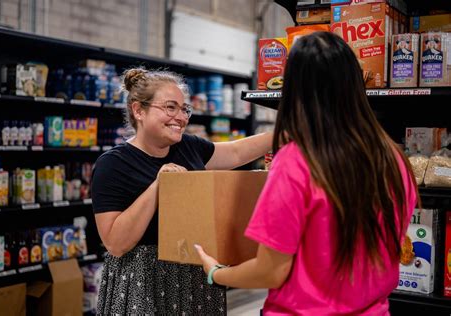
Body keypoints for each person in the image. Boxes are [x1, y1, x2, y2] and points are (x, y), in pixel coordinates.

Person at [195, 31, 418, 315]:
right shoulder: (393, 158)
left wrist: (216, 273)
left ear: (295, 89)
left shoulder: (297, 161)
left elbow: (270, 271)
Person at [91, 67, 272, 315]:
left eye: (184, 109)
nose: (181, 117)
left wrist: (285, 131)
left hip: (193, 277)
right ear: (138, 110)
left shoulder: (188, 147)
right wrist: (159, 187)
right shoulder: (113, 164)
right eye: (170, 107)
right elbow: (116, 244)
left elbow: (236, 153)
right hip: (143, 282)